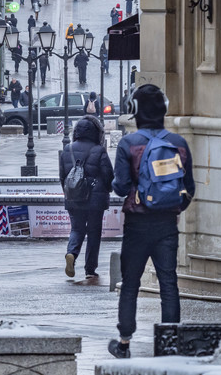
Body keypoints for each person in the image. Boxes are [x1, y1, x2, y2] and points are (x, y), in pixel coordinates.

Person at [108, 84, 195, 359]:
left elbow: (121, 187)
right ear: (164, 110)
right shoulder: (178, 143)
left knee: (131, 283)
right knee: (169, 283)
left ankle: (124, 343)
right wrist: (174, 206)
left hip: (137, 223)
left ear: (133, 111)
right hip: (167, 223)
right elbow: (189, 187)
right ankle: (170, 343)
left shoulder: (128, 144)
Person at [59, 116, 114, 279]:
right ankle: (90, 268)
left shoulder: (66, 150)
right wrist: (108, 189)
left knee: (76, 228)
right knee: (94, 232)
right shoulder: (99, 150)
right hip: (95, 200)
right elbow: (108, 175)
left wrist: (69, 193)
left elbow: (63, 177)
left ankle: (72, 254)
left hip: (73, 198)